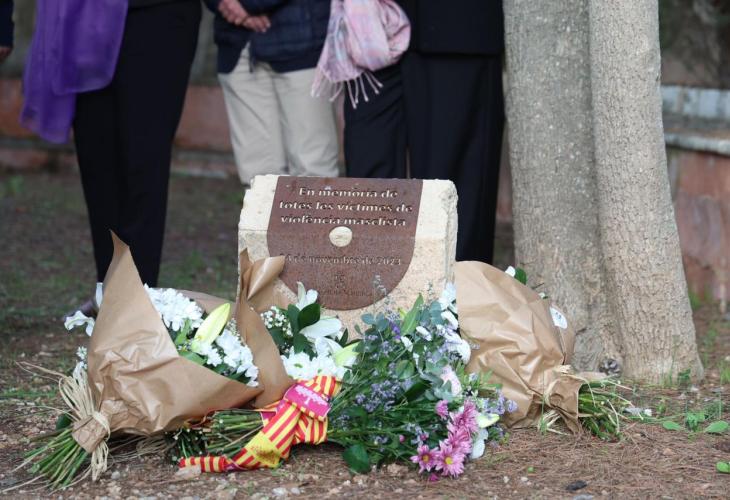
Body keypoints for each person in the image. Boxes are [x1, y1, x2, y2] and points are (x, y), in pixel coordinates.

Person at [21, 0, 201, 316]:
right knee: (97, 162)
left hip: (158, 17)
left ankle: (138, 298)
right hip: (85, 19)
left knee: (145, 159)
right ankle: (109, 292)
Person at [343, 0, 505, 263]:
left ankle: (456, 287)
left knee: (452, 193)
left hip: (456, 27)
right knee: (368, 180)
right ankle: (372, 283)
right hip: (369, 25)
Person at [205, 0, 339, 186]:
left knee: (313, 170)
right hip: (237, 44)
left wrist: (246, 6)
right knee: (258, 176)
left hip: (302, 40)